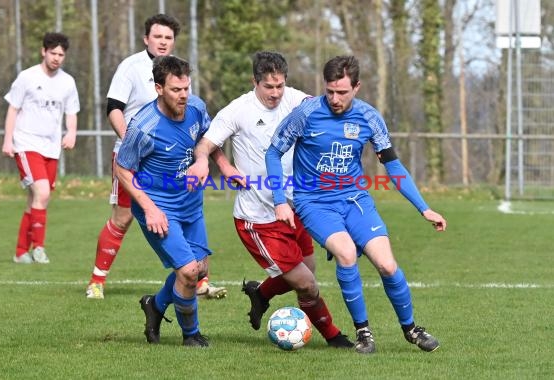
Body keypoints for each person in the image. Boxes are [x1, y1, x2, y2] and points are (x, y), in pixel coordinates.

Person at [265, 55, 447, 354]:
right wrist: (279, 201)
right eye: (330, 91)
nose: (335, 99)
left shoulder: (369, 117)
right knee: (346, 254)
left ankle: (411, 329)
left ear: (357, 87)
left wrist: (424, 208)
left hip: (355, 200)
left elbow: (393, 165)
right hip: (315, 203)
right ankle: (364, 333)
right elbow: (273, 153)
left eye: (342, 92)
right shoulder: (306, 113)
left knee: (388, 265)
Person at [188, 51, 353, 348]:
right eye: (268, 87)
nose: (276, 93)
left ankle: (261, 294)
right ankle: (334, 337)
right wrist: (219, 165)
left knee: (308, 269)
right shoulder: (238, 110)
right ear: (255, 81)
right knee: (305, 283)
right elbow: (205, 144)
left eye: (280, 86)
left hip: (295, 207)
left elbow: (325, 109)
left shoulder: (296, 100)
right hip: (259, 218)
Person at [85, 14, 226, 300]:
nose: (163, 42)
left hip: (173, 160)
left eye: (168, 38)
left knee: (189, 210)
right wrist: (133, 143)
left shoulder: (177, 70)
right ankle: (97, 281)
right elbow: (113, 107)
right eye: (158, 36)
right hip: (135, 157)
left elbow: (191, 117)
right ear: (146, 38)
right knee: (122, 217)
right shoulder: (131, 67)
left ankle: (199, 280)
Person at [116, 55, 222, 346]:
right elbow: (122, 169)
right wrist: (150, 209)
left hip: (191, 204)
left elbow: (208, 140)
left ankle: (155, 305)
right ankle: (191, 335)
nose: (184, 95)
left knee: (199, 269)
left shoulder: (197, 107)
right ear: (159, 89)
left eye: (186, 88)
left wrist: (217, 165)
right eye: (176, 90)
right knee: (188, 272)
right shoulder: (144, 126)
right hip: (158, 208)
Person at [2, 32, 80, 264]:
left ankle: (20, 252)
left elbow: (71, 111)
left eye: (61, 54)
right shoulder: (27, 77)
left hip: (51, 147)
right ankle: (39, 248)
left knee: (37, 199)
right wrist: (8, 140)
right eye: (53, 53)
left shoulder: (68, 82)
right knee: (42, 193)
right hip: (26, 143)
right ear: (43, 52)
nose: (56, 58)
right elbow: (13, 109)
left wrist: (72, 132)